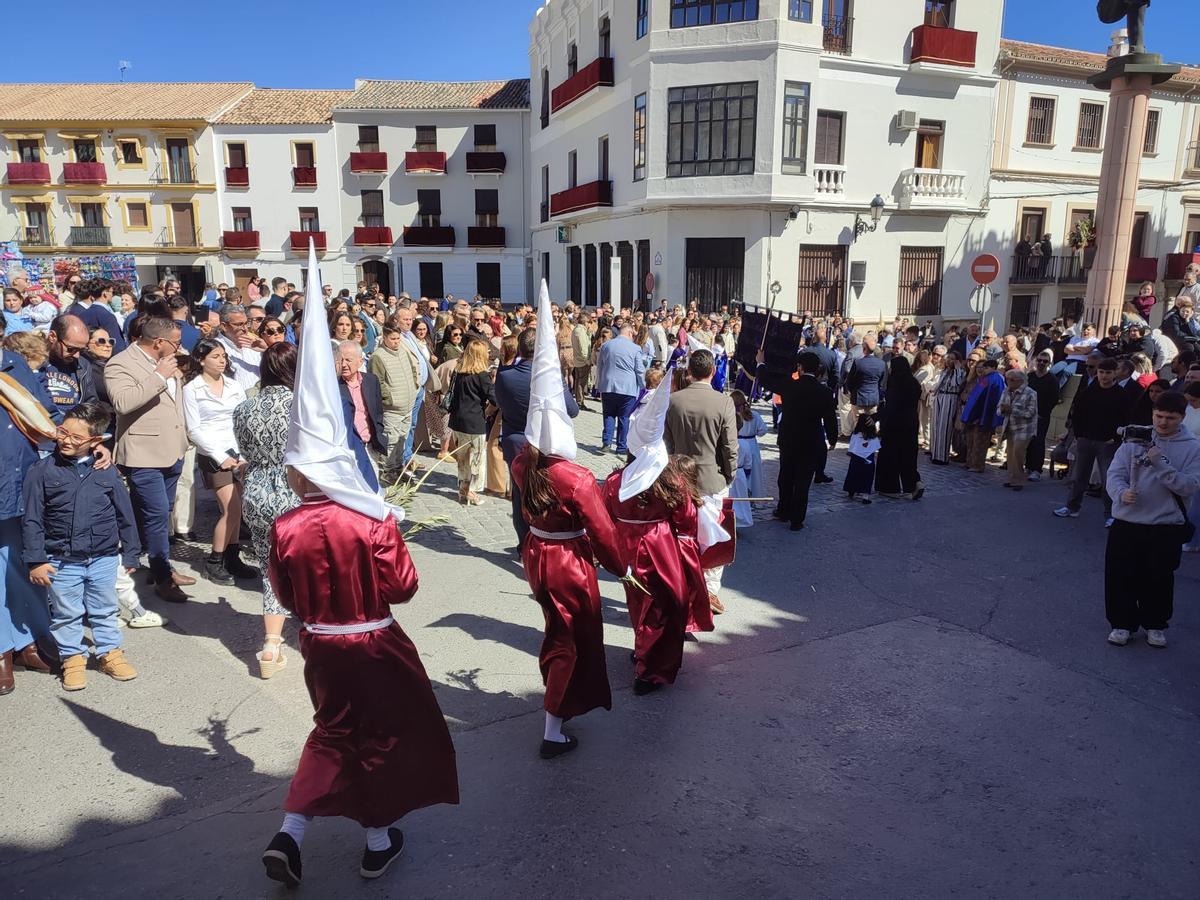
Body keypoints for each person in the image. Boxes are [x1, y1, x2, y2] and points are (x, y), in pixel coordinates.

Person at [511, 284, 623, 757]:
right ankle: (554, 725)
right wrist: (623, 567)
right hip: (567, 563)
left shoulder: (523, 462)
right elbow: (601, 531)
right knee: (572, 639)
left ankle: (562, 708)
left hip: (538, 553)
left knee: (559, 633)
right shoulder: (575, 477)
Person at [21, 401, 140, 691]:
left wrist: (132, 551)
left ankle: (109, 653)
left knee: (104, 608)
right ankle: (72, 659)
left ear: (96, 441)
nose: (65, 440)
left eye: (76, 437)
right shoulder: (42, 471)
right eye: (63, 432)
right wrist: (36, 559)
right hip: (61, 559)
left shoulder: (106, 470)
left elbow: (125, 513)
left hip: (103, 556)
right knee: (66, 612)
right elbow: (32, 519)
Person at [604, 406, 707, 693]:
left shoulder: (614, 480)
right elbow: (686, 519)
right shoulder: (670, 481)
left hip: (625, 546)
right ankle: (648, 671)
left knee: (637, 601)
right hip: (658, 548)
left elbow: (605, 514)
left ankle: (642, 648)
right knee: (661, 607)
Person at [104, 317, 193, 604]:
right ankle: (162, 576)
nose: (180, 347)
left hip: (172, 448)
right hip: (143, 452)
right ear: (158, 343)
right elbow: (123, 402)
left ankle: (158, 565)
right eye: (176, 343)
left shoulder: (171, 361)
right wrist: (157, 376)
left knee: (163, 511)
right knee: (155, 513)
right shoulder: (121, 363)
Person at [1103, 391, 1200, 648]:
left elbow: (1189, 486)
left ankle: (1155, 624)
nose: (1163, 422)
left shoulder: (1193, 447)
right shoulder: (1135, 438)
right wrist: (1121, 493)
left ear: (1182, 417)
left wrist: (1160, 464)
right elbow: (1114, 474)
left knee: (1159, 578)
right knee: (1120, 576)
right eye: (1159, 415)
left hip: (1165, 524)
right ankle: (1121, 623)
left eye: (1170, 417)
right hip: (1127, 521)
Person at [233, 342, 300, 679]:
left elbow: (245, 451)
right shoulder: (301, 405)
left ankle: (271, 645)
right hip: (296, 491)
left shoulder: (244, 408)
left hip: (258, 491)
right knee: (308, 566)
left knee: (270, 568)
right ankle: (318, 631)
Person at [664, 350, 738, 612]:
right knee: (713, 538)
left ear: (689, 372)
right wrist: (730, 475)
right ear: (713, 372)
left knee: (684, 536)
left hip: (680, 478)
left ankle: (684, 584)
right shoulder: (723, 402)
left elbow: (667, 442)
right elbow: (729, 446)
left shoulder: (673, 401)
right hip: (711, 479)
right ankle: (708, 589)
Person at [182, 338, 258, 585]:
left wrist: (243, 454)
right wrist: (219, 456)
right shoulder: (192, 389)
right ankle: (214, 560)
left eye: (224, 356)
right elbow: (194, 429)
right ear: (202, 360)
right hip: (214, 454)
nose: (222, 360)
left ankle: (232, 556)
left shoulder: (234, 386)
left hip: (238, 452)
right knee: (231, 507)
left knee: (239, 506)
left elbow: (242, 419)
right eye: (216, 356)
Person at [495, 326, 578, 549]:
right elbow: (572, 410)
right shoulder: (552, 376)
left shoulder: (504, 376)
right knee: (548, 490)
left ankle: (524, 545)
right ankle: (544, 539)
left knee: (520, 494)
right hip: (545, 442)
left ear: (520, 350)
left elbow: (500, 404)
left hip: (517, 441)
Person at [754, 349, 838, 531]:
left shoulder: (790, 386)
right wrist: (833, 439)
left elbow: (766, 380)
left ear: (800, 367)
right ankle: (797, 519)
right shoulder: (824, 392)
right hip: (811, 441)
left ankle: (783, 510)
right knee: (803, 480)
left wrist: (761, 362)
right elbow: (830, 419)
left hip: (789, 439)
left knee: (786, 476)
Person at [1054, 358, 1133, 524]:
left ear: (1114, 374)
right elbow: (1077, 413)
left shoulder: (1122, 395)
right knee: (1078, 476)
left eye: (1108, 373)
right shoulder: (1089, 391)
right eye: (1101, 372)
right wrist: (1079, 434)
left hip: (1108, 443)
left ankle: (1111, 514)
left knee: (1108, 480)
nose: (1104, 376)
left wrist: (1115, 438)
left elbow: (1126, 419)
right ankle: (1072, 507)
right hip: (1085, 440)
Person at [368, 320, 419, 485]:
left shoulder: (402, 351)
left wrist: (415, 385)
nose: (396, 342)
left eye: (398, 338)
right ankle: (388, 471)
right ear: (385, 337)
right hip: (392, 408)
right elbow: (378, 382)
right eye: (393, 339)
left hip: (407, 405)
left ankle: (398, 468)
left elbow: (412, 369)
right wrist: (389, 399)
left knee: (402, 440)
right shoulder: (378, 357)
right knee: (391, 440)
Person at [448, 338, 495, 506]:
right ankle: (472, 492)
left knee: (462, 459)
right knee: (476, 459)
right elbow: (494, 398)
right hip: (475, 422)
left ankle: (462, 489)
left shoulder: (459, 372)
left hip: (458, 421)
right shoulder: (482, 376)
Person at [335, 342, 386, 484]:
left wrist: (378, 436)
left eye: (348, 360)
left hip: (369, 448)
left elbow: (378, 413)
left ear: (360, 361)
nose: (344, 364)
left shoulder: (371, 381)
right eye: (340, 360)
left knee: (373, 488)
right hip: (347, 450)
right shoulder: (333, 385)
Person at [874, 356, 924, 500]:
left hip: (895, 425)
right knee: (908, 456)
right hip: (911, 423)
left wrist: (877, 417)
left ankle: (890, 487)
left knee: (890, 456)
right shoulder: (913, 382)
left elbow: (892, 406)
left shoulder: (896, 383)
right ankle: (914, 483)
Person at [596, 323, 649, 454]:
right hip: (628, 388)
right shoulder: (635, 348)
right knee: (624, 418)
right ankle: (621, 447)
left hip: (608, 386)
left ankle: (606, 443)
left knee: (608, 414)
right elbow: (639, 370)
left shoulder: (606, 345)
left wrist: (599, 385)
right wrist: (644, 387)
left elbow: (600, 366)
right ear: (630, 333)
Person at [729, 389, 768, 528]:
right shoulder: (754, 415)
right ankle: (755, 500)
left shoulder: (731, 415)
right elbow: (763, 431)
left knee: (740, 474)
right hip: (752, 445)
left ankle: (743, 501)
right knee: (754, 474)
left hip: (737, 445)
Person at [960, 359, 1005, 473]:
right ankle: (969, 462)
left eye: (986, 367)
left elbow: (992, 399)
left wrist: (982, 415)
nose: (984, 370)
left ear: (993, 368)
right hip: (975, 414)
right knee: (972, 440)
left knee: (980, 442)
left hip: (984, 415)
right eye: (983, 367)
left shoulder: (996, 379)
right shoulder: (984, 379)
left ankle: (977, 465)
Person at [997, 368, 1039, 490]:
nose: (1008, 382)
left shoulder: (1031, 393)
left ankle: (1019, 480)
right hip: (1010, 426)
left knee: (1018, 452)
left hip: (1025, 428)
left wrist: (1012, 410)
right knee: (1010, 454)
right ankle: (1012, 479)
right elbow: (999, 408)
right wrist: (1002, 410)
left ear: (1020, 381)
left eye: (1012, 379)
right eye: (1007, 379)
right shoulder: (1006, 391)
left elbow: (1030, 412)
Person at [1025, 351, 1060, 481]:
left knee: (1038, 442)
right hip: (1027, 414)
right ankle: (1028, 466)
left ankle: (1036, 469)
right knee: (1027, 441)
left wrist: (1042, 413)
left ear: (1049, 363)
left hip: (1041, 416)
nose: (1041, 363)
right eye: (1039, 360)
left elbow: (1054, 399)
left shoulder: (1052, 379)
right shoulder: (1030, 376)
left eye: (1044, 361)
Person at [929, 350, 965, 465]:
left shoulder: (960, 372)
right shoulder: (944, 371)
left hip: (950, 397)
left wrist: (957, 369)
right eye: (948, 358)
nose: (949, 361)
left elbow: (956, 384)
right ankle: (934, 453)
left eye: (952, 359)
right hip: (940, 396)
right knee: (935, 426)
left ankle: (942, 456)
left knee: (944, 427)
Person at [844, 413, 879, 504]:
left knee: (853, 474)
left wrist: (850, 452)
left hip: (856, 459)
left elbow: (852, 446)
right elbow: (875, 448)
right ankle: (865, 496)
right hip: (868, 460)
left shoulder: (855, 434)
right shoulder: (873, 437)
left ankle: (851, 490)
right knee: (867, 477)